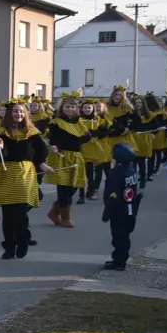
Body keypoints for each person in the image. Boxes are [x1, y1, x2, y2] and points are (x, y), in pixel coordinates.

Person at [0, 99, 53, 260]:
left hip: (25, 173)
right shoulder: (0, 133)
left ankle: (23, 239)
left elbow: (41, 152)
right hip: (6, 173)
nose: (18, 114)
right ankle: (9, 247)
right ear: (9, 114)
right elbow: (1, 156)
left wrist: (42, 165)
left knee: (20, 211)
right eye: (15, 111)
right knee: (8, 213)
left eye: (21, 111)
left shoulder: (32, 132)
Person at [42, 92, 93, 229]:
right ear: (62, 108)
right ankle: (66, 218)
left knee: (74, 186)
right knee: (64, 187)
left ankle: (55, 210)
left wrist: (78, 141)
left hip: (76, 157)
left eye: (72, 107)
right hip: (62, 157)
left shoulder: (79, 122)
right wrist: (55, 146)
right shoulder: (57, 123)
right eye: (67, 107)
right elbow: (52, 138)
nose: (70, 109)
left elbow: (87, 137)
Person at [101, 142, 142, 270]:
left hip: (119, 210)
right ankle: (119, 258)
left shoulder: (117, 174)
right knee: (124, 236)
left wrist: (106, 213)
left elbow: (113, 195)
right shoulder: (130, 170)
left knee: (119, 236)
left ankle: (119, 261)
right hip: (130, 209)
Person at [79, 98, 112, 204]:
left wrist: (94, 133)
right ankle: (81, 195)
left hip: (94, 149)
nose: (87, 109)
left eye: (89, 107)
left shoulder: (98, 119)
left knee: (91, 172)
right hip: (81, 148)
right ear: (82, 109)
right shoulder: (78, 120)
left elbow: (104, 131)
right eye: (85, 107)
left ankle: (91, 190)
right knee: (82, 173)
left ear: (93, 109)